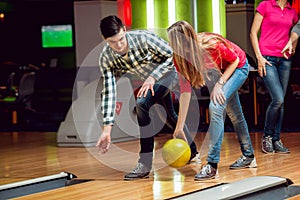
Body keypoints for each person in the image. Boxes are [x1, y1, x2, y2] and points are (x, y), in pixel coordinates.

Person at [96, 15, 199, 180]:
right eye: (112, 42)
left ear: (125, 30)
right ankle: (192, 151)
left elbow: (171, 56)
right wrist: (107, 128)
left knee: (142, 103)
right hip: (150, 82)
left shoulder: (143, 38)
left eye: (121, 39)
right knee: (170, 115)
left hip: (169, 73)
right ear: (104, 39)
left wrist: (152, 77)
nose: (119, 45)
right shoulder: (106, 57)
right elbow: (109, 90)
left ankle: (144, 164)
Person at [167, 20, 257, 180]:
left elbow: (236, 60)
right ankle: (249, 156)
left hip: (238, 67)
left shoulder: (209, 44)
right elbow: (185, 91)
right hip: (219, 71)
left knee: (215, 106)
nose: (171, 45)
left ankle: (212, 165)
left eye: (172, 41)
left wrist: (220, 84)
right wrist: (180, 127)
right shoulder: (179, 58)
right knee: (235, 114)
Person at [250, 0, 298, 154]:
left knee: (281, 102)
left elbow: (296, 30)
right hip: (267, 59)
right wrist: (259, 58)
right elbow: (252, 32)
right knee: (278, 99)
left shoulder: (292, 11)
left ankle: (276, 139)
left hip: (284, 60)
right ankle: (267, 137)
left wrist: (293, 48)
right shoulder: (265, 5)